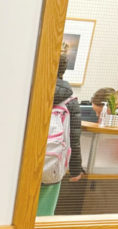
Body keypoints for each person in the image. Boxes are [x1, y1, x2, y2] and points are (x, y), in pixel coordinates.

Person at [38, 52, 83, 216]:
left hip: (25, 163)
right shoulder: (70, 100)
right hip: (53, 164)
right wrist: (76, 169)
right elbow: (74, 138)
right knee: (44, 214)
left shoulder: (32, 91)